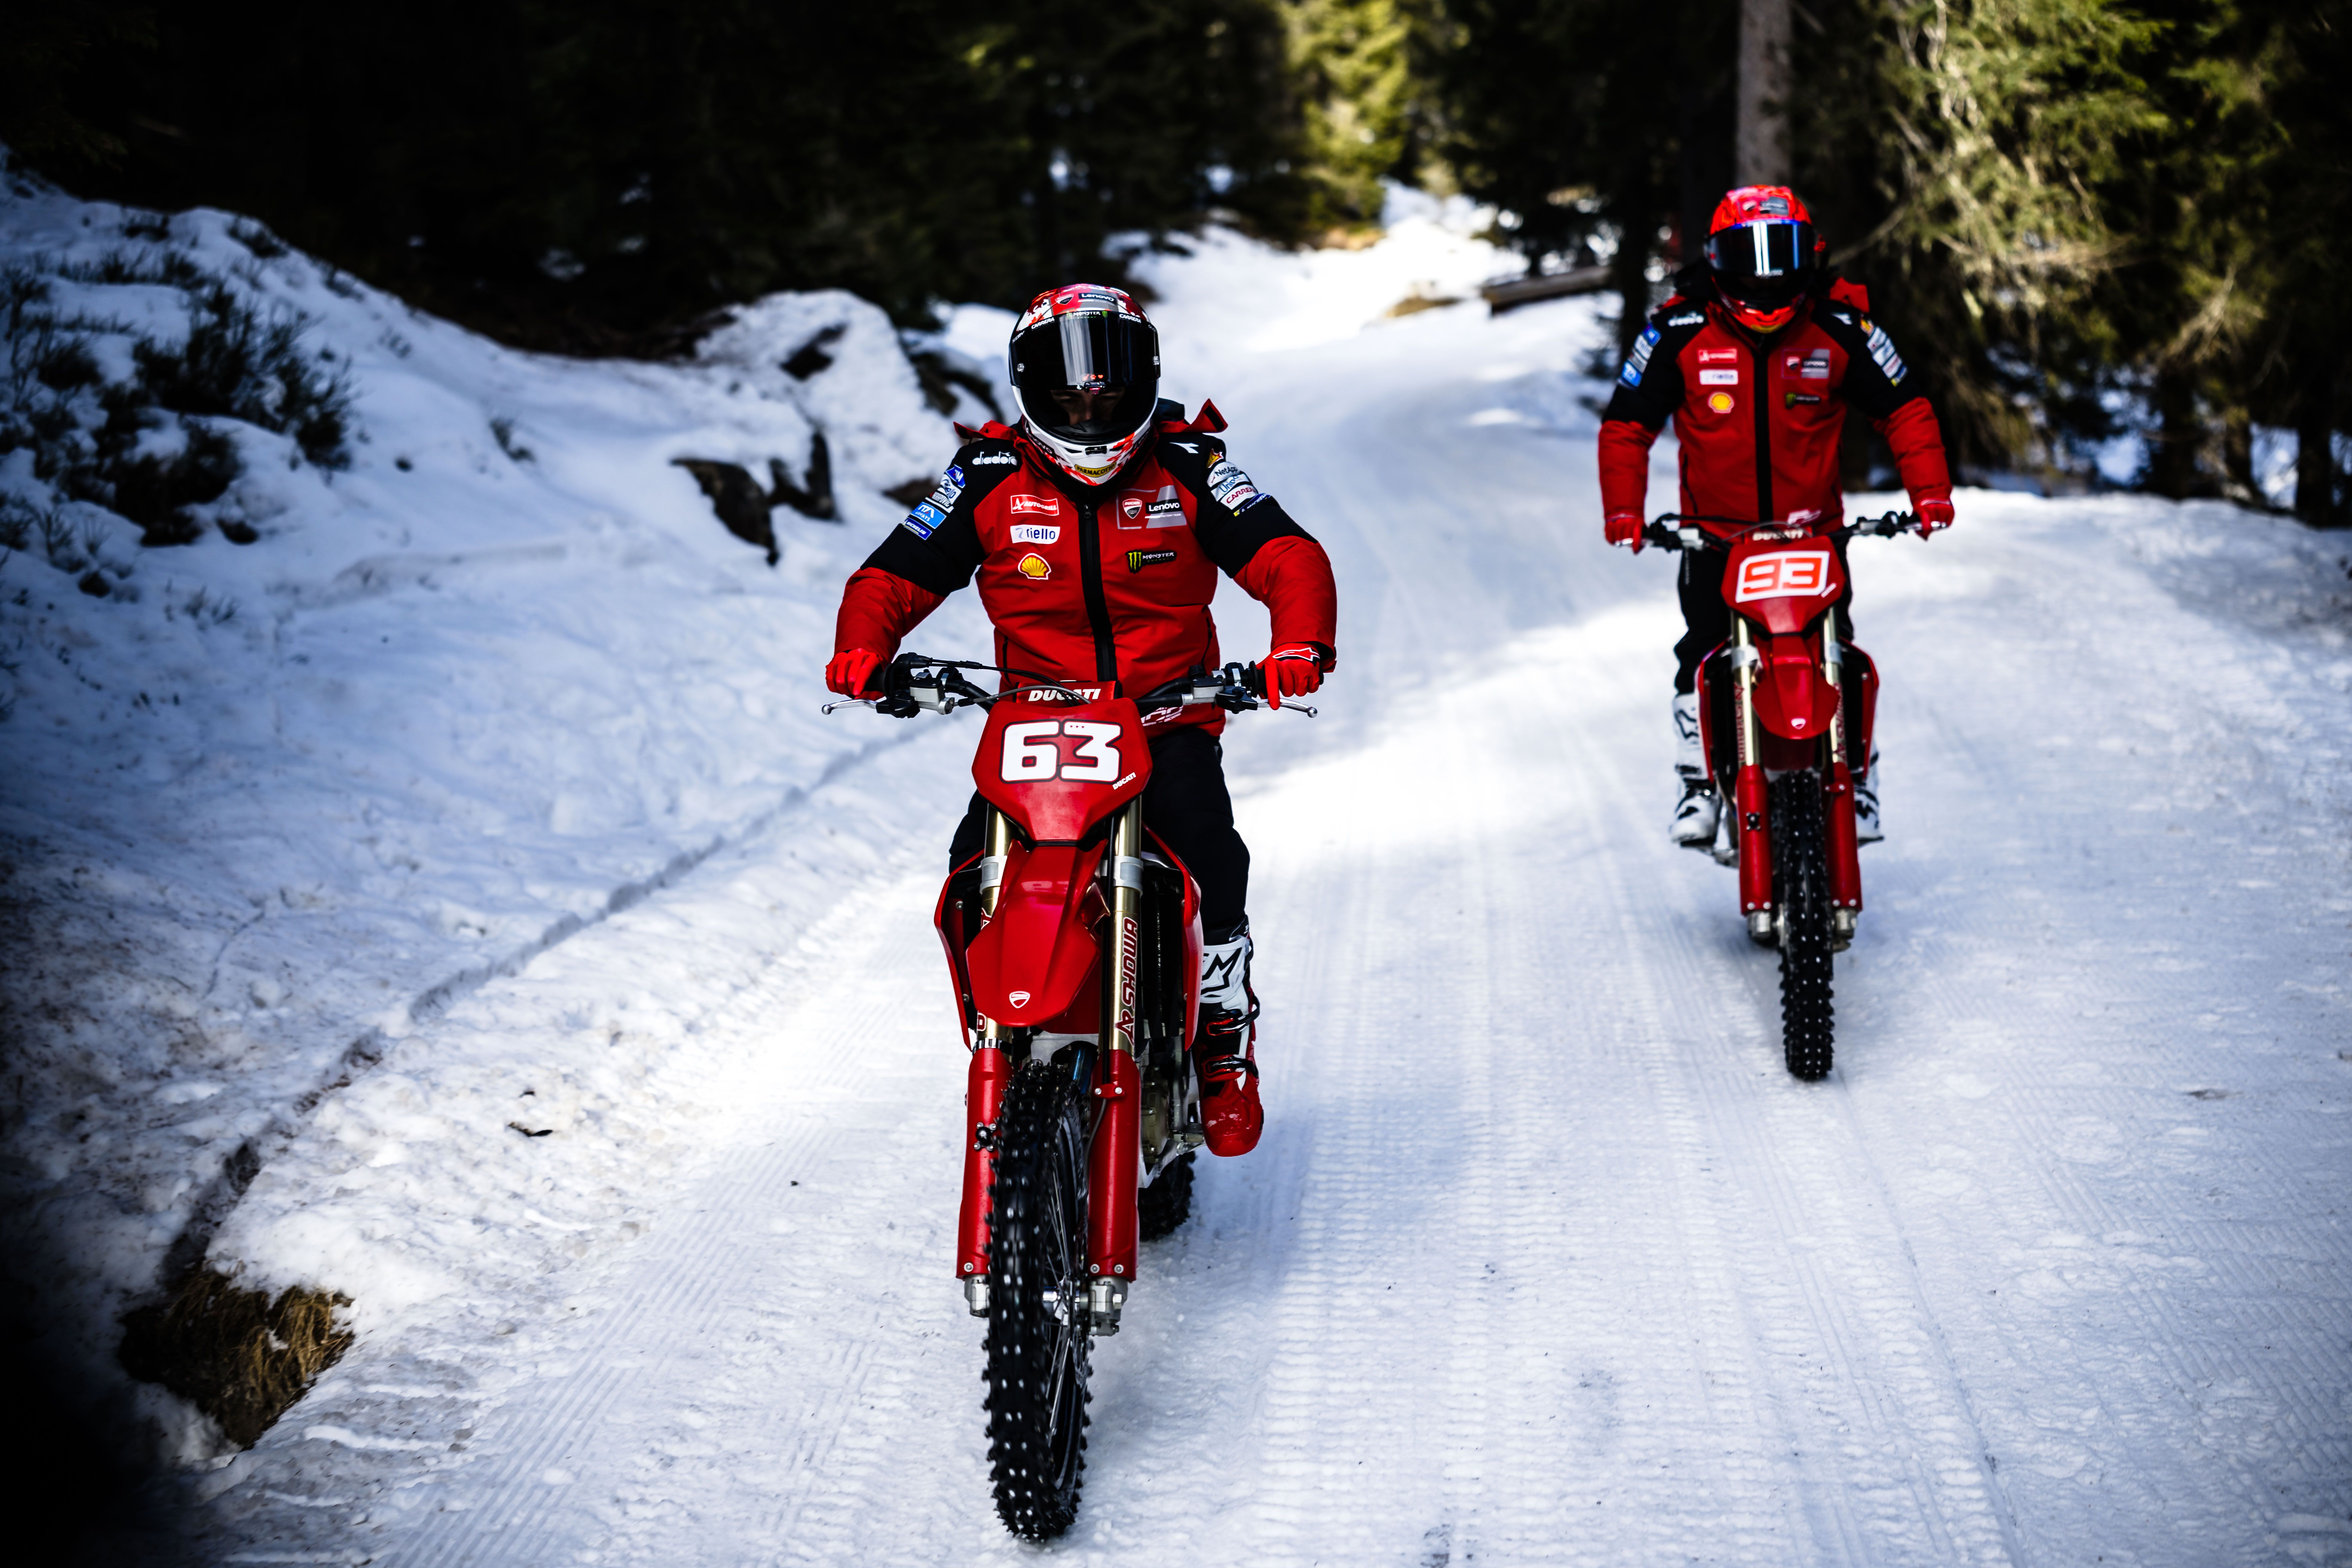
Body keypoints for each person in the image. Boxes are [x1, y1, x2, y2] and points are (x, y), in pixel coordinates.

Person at [825, 283, 1337, 1157]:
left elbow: (1286, 555)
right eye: (1070, 396)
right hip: (1034, 727)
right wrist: (862, 649)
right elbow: (892, 576)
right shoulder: (986, 477)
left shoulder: (1190, 465)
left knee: (1208, 848)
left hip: (1166, 716)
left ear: (1148, 379)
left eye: (1109, 389)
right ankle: (1001, 1031)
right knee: (969, 867)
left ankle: (1222, 1031)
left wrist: (1298, 645)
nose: (1091, 407)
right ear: (1029, 389)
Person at [1597, 185, 1956, 848]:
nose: (1765, 276)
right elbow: (1627, 425)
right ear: (1716, 259)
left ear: (1810, 254)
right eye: (1748, 256)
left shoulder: (1843, 328)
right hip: (1714, 540)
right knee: (1702, 653)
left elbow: (1905, 408)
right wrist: (1625, 511)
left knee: (1839, 653)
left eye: (1781, 254)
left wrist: (1930, 493)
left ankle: (1860, 777)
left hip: (1814, 535)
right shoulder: (1677, 331)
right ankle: (1698, 783)